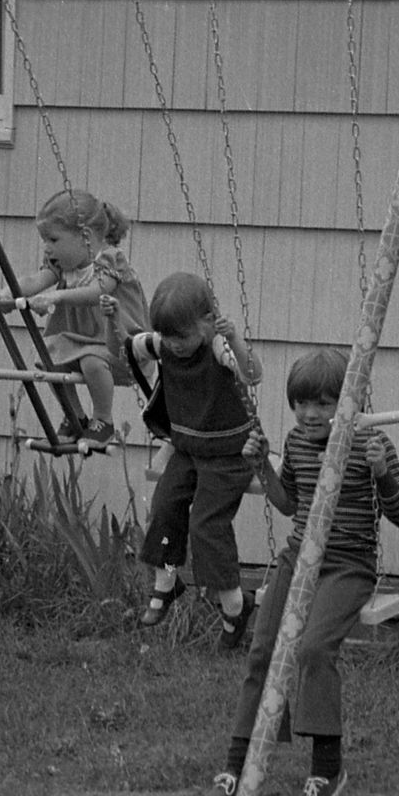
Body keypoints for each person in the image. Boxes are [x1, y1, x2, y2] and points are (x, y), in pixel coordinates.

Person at [199, 347, 399, 796]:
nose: (310, 414)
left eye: (323, 403)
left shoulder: (371, 443)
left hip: (347, 564)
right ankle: (237, 765)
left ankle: (326, 771)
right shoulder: (296, 442)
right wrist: (262, 466)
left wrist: (382, 474)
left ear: (349, 403)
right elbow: (288, 503)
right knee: (263, 650)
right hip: (298, 559)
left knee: (314, 650)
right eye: (302, 403)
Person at [128, 272, 265, 647]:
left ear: (208, 322)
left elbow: (253, 375)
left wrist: (235, 340)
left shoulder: (217, 346)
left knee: (206, 525)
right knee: (165, 507)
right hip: (188, 449)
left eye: (183, 337)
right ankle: (167, 581)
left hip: (228, 453)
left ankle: (235, 607)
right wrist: (112, 319)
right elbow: (129, 348)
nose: (174, 345)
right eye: (167, 337)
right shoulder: (165, 343)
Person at [0, 189, 147, 454]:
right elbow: (35, 281)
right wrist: (7, 294)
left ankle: (103, 420)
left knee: (92, 361)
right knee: (48, 358)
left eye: (53, 239)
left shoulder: (110, 259)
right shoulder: (62, 264)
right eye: (44, 240)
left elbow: (97, 292)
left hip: (118, 343)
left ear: (86, 236)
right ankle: (75, 417)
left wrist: (57, 296)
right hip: (81, 342)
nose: (47, 247)